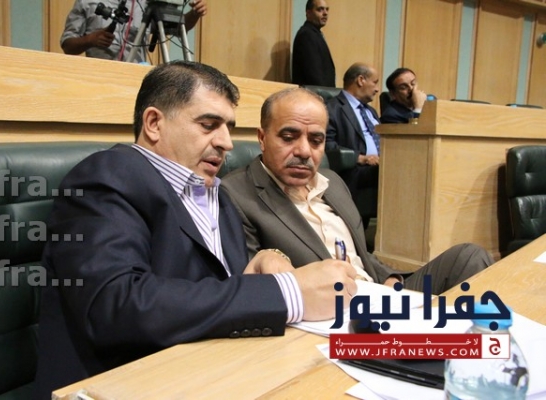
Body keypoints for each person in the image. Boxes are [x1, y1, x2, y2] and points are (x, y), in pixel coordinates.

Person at [33, 61, 357, 399]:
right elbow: (117, 306)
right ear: (154, 123)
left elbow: (217, 295)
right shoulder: (106, 176)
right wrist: (287, 293)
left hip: (216, 375)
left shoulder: (217, 194)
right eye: (208, 125)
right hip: (122, 384)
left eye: (228, 127)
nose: (226, 142)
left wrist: (263, 259)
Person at [221, 87, 493, 294]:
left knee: (469, 257)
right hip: (330, 311)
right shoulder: (236, 194)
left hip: (380, 293)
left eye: (316, 140)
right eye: (289, 137)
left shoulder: (332, 181)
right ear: (262, 138)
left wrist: (389, 279)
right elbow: (253, 282)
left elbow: (360, 252)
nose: (304, 151)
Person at [60, 0, 207, 63]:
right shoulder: (86, 2)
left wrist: (194, 14)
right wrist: (90, 40)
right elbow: (67, 46)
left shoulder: (146, 4)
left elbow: (176, 28)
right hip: (98, 79)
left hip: (135, 81)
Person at [325, 62, 381, 224]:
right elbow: (325, 144)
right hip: (354, 170)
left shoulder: (371, 112)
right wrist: (361, 158)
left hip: (379, 167)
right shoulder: (332, 108)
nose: (377, 89)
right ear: (361, 80)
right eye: (375, 82)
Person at [291, 0, 335, 87]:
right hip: (313, 93)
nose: (325, 13)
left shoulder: (315, 34)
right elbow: (314, 75)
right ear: (308, 13)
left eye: (327, 9)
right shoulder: (306, 35)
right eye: (320, 9)